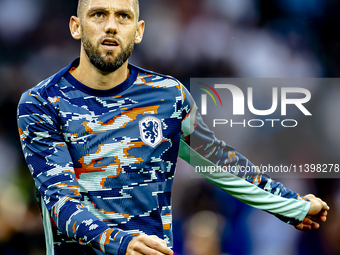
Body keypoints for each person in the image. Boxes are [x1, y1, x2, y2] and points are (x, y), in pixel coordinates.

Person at [17, 0, 329, 254]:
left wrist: (288, 204)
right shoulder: (42, 103)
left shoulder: (168, 95)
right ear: (76, 26)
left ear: (138, 31)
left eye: (123, 16)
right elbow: (61, 199)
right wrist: (121, 242)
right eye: (98, 14)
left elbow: (218, 162)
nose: (111, 25)